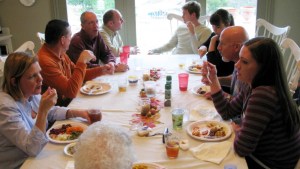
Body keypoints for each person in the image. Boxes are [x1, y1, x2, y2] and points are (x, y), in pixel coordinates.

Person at [202, 37, 300, 169]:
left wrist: (238, 131)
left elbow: (242, 148)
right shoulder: (251, 85)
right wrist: (213, 78)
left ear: (263, 68)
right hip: (262, 154)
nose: (237, 66)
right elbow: (227, 112)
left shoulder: (264, 95)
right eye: (239, 59)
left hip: (269, 163)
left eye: (245, 62)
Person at [0, 52, 95, 169]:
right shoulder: (5, 108)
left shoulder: (28, 92)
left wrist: (78, 113)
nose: (40, 79)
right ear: (14, 82)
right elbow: (32, 148)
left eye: (39, 73)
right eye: (32, 76)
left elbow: (51, 111)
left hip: (38, 153)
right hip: (21, 164)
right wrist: (43, 110)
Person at [38, 19, 114, 106]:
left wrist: (102, 70)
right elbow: (70, 92)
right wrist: (81, 61)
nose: (71, 38)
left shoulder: (60, 52)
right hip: (56, 111)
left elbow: (79, 75)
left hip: (69, 102)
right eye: (70, 35)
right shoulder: (45, 61)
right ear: (62, 40)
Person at [198, 9, 235, 77]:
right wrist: (203, 47)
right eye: (213, 26)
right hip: (216, 75)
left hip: (224, 77)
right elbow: (204, 44)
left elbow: (213, 64)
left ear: (228, 25)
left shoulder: (231, 40)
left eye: (218, 27)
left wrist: (212, 41)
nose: (214, 30)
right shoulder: (215, 34)